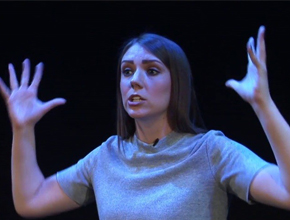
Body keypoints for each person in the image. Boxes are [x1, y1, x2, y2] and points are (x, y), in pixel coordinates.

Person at [0, 26, 290, 219]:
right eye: (127, 72)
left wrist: (263, 104)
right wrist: (22, 130)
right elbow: (30, 200)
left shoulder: (210, 151)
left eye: (152, 70)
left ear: (177, 84)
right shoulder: (107, 157)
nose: (135, 81)